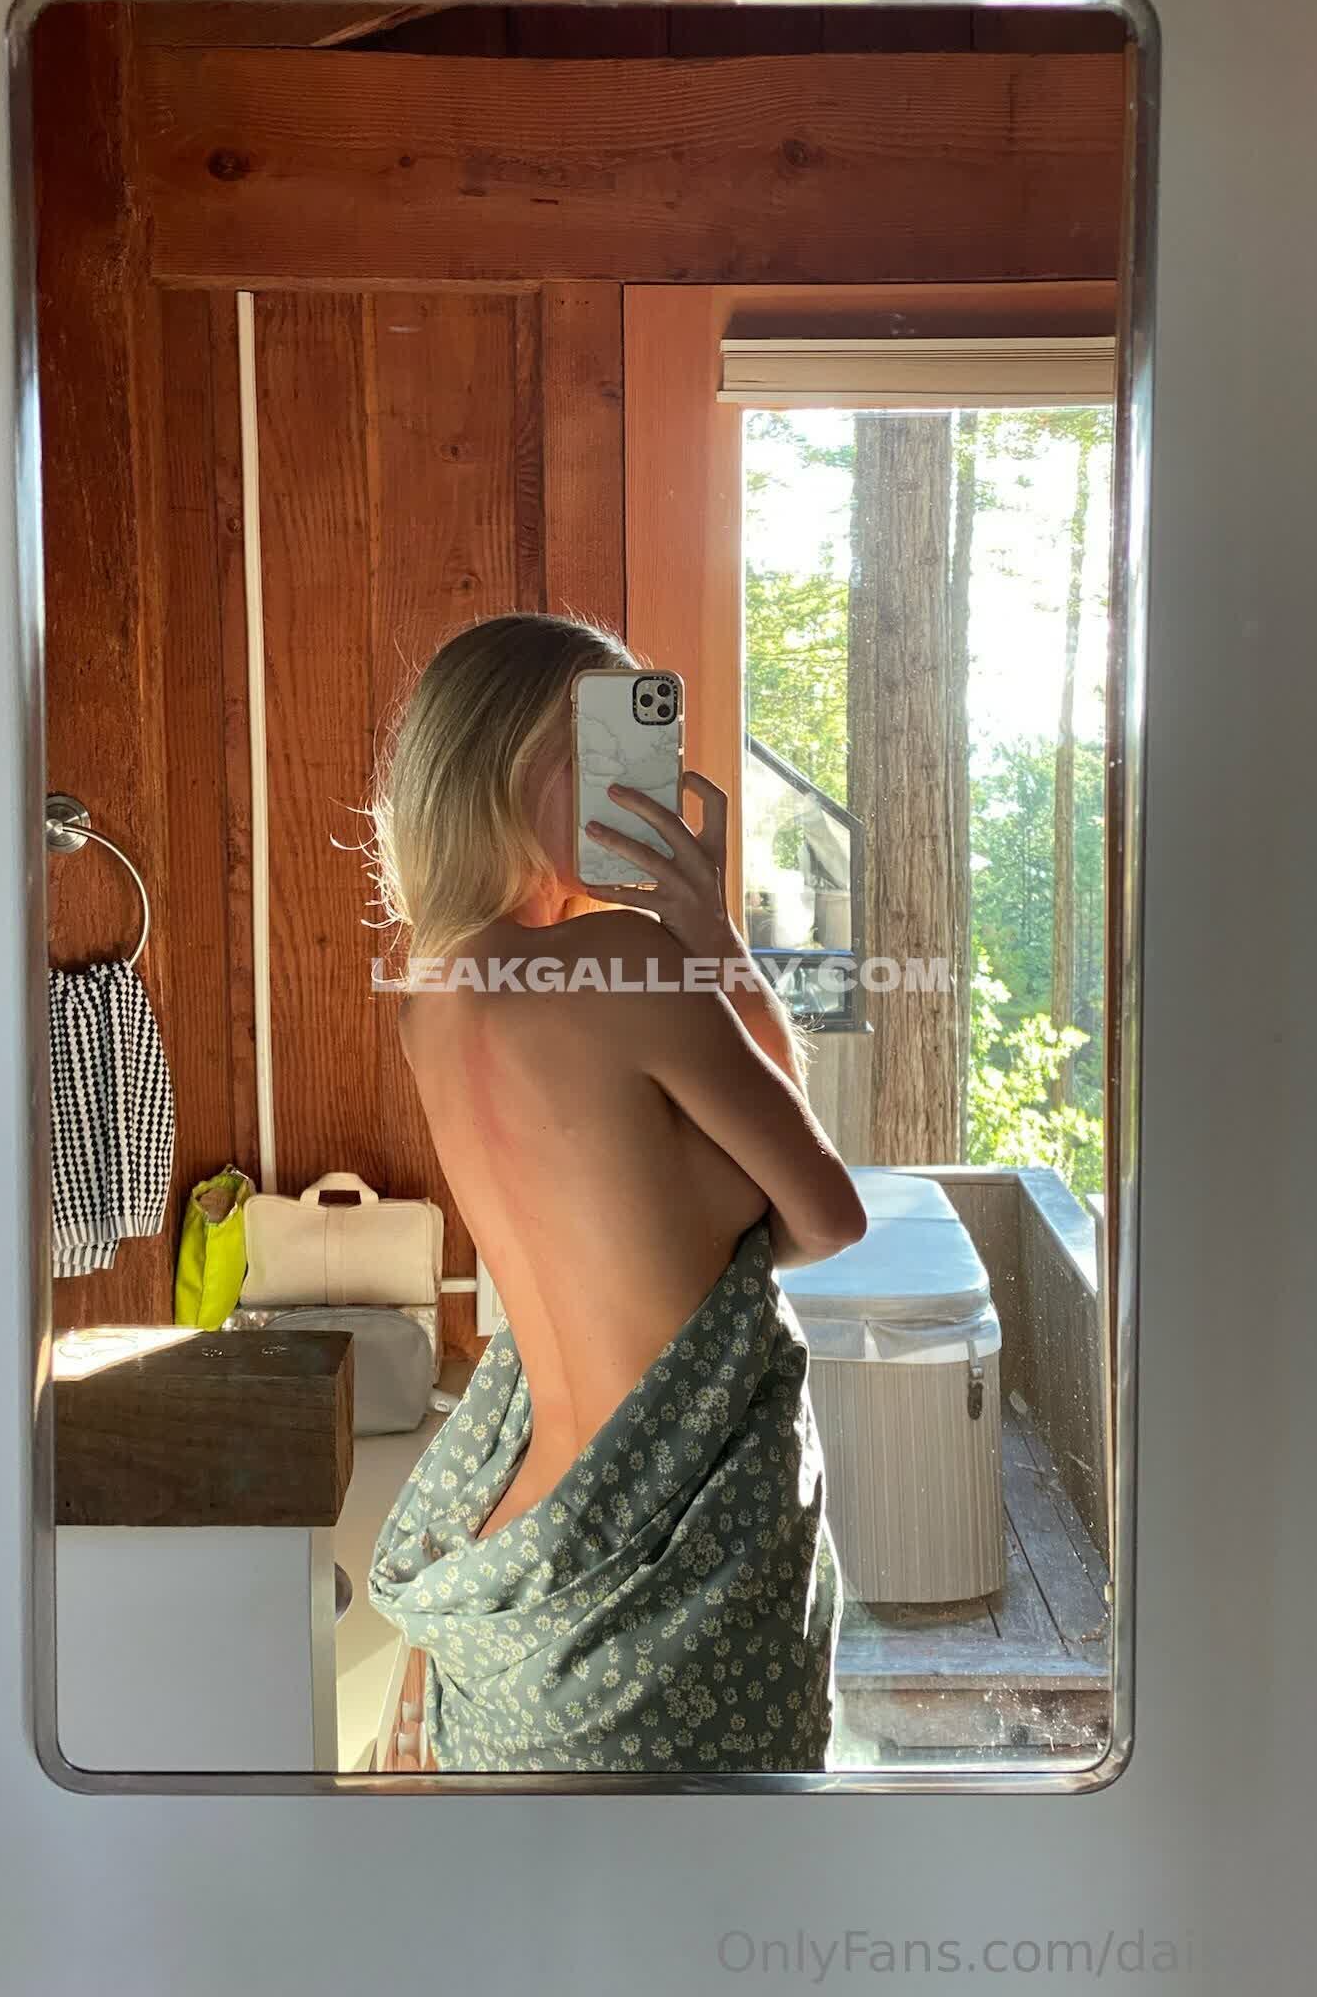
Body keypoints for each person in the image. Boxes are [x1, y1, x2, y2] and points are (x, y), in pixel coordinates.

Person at [366, 613, 866, 1774]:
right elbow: (824, 1215)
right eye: (591, 750)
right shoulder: (633, 965)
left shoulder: (430, 1005)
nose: (627, 784)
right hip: (674, 1573)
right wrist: (713, 940)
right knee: (719, 1891)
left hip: (518, 1572)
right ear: (503, 769)